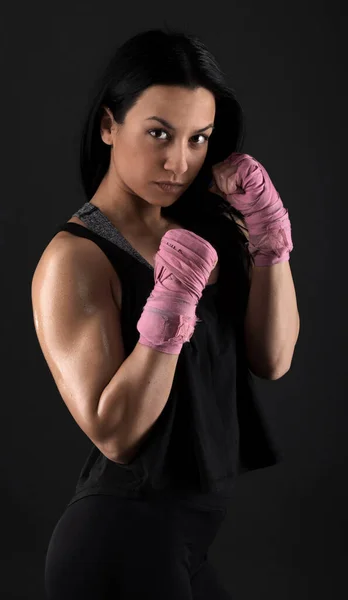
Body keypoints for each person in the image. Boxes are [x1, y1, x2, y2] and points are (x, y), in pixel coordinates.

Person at [31, 26, 291, 600]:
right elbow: (118, 435)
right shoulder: (75, 257)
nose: (180, 161)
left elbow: (271, 358)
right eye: (159, 133)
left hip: (186, 547)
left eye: (199, 138)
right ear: (107, 125)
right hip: (117, 545)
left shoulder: (202, 230)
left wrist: (271, 240)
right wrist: (171, 299)